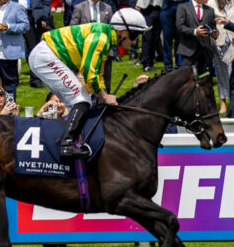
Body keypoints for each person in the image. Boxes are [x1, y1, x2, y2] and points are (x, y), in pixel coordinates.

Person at [28, 8, 149, 158]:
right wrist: (105, 97)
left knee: (79, 100)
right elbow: (89, 73)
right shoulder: (101, 38)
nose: (135, 41)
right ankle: (67, 145)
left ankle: (66, 137)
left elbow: (98, 75)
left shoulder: (105, 36)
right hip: (45, 57)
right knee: (81, 99)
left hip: (46, 56)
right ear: (122, 31)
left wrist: (104, 94)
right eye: (135, 35)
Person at [175, 0, 217, 70]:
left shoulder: (210, 10)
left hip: (205, 53)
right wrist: (195, 32)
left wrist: (215, 33)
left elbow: (213, 28)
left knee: (205, 81)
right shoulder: (183, 7)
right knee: (186, 80)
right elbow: (179, 27)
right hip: (188, 51)